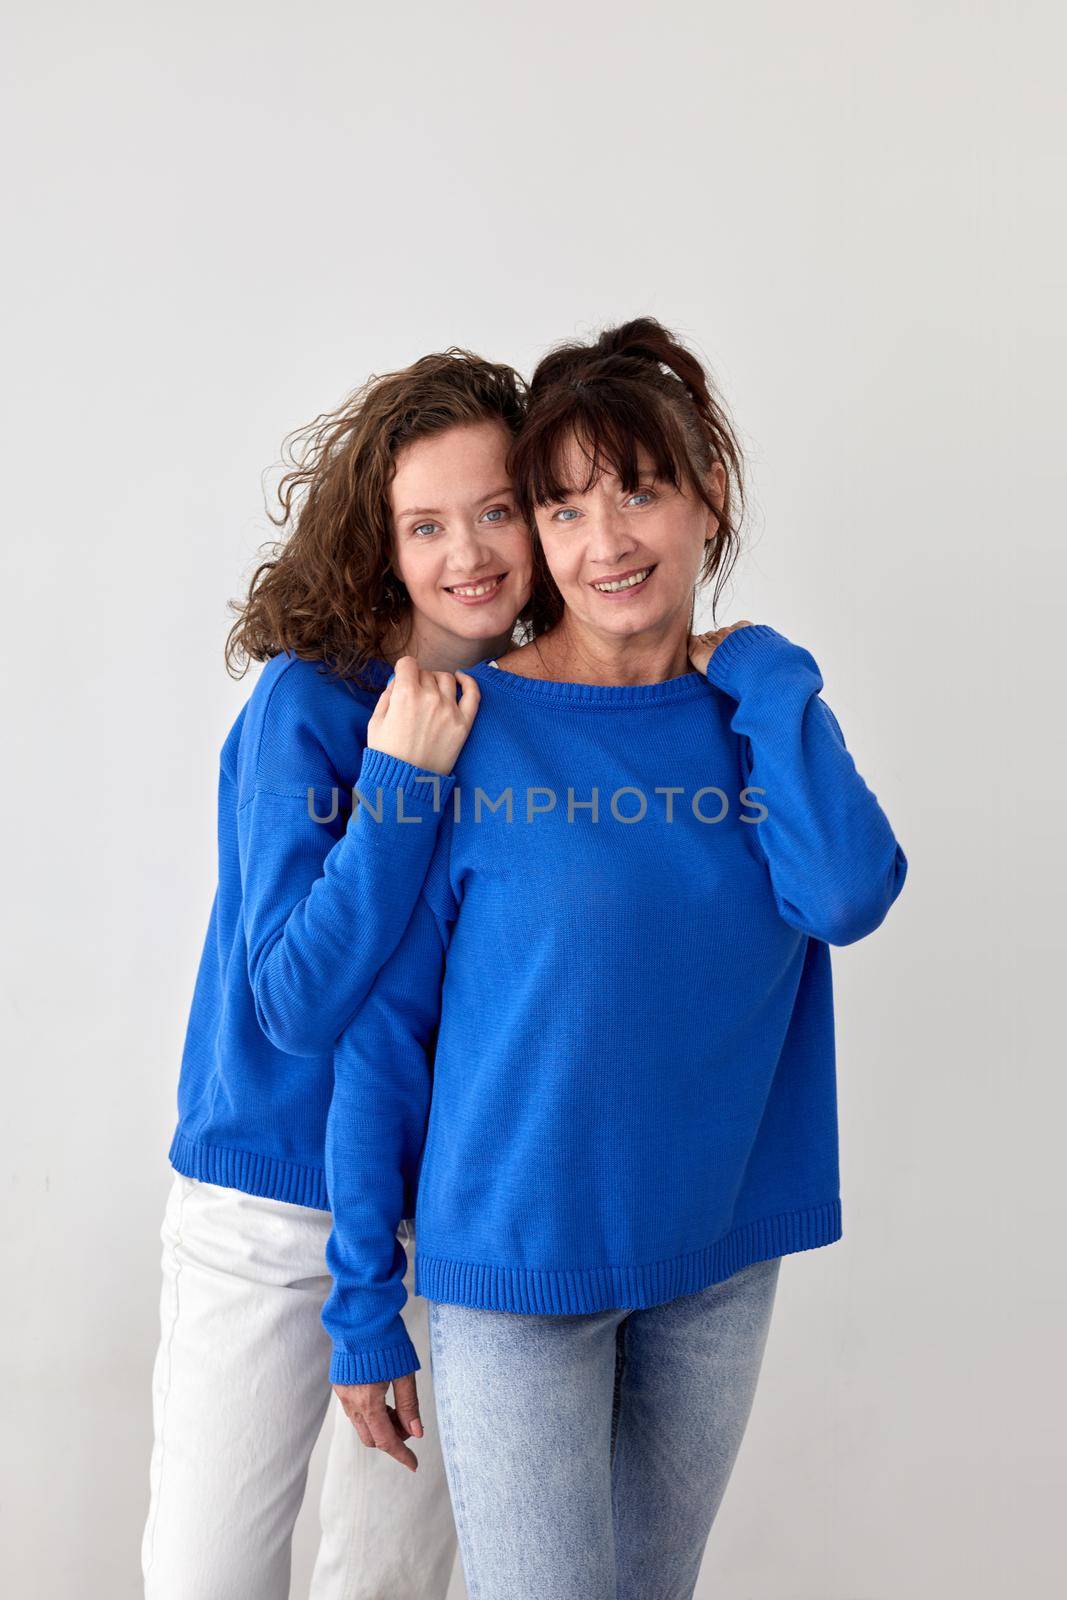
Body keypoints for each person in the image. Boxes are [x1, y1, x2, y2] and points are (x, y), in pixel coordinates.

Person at [320, 318, 909, 1598]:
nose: (608, 542)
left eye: (641, 492)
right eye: (568, 507)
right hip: (516, 1270)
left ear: (707, 499)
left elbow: (848, 891)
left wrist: (761, 671)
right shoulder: (468, 730)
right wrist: (363, 1297)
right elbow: (383, 1030)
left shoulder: (759, 717)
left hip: (715, 1256)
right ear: (536, 530)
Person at [141, 350, 534, 1599]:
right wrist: (402, 779)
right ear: (380, 540)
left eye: (496, 509)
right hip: (262, 1210)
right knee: (208, 1576)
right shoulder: (305, 708)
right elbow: (294, 1000)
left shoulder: (522, 713)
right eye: (426, 523)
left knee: (391, 1586)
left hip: (430, 1225)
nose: (467, 551)